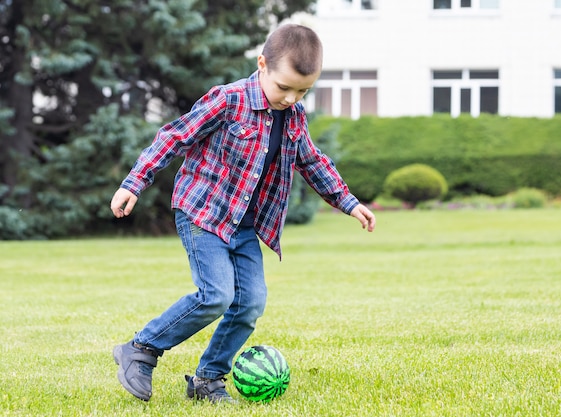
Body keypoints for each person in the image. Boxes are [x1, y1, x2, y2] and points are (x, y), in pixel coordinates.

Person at [109, 23, 376, 403]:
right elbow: (174, 136)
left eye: (303, 90)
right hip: (203, 213)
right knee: (215, 295)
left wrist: (348, 201)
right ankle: (141, 349)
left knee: (249, 303)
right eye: (284, 87)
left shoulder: (295, 116)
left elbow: (311, 161)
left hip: (245, 226)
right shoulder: (228, 99)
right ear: (262, 64)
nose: (291, 98)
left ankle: (207, 380)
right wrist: (134, 182)